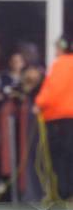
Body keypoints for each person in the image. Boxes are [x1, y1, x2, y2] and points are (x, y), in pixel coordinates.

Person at [34, 36, 73, 201]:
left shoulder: (60, 64)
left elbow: (51, 90)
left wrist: (38, 103)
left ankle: (64, 192)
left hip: (59, 118)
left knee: (60, 156)